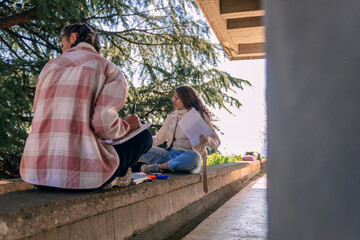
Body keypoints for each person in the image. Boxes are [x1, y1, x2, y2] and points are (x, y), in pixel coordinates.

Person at [20, 23, 152, 191]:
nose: (63, 51)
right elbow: (104, 126)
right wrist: (128, 125)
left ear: (73, 37)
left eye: (62, 45)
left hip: (37, 175)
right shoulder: (108, 68)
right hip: (85, 178)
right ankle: (117, 176)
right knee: (145, 136)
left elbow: (37, 114)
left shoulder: (48, 68)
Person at [138, 86, 220, 174]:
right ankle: (168, 166)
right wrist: (140, 142)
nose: (173, 101)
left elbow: (216, 142)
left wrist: (207, 140)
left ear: (186, 99)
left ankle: (159, 167)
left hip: (189, 157)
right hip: (170, 156)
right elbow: (158, 139)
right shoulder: (171, 117)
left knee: (195, 157)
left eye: (177, 98)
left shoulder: (201, 116)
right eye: (173, 98)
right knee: (141, 149)